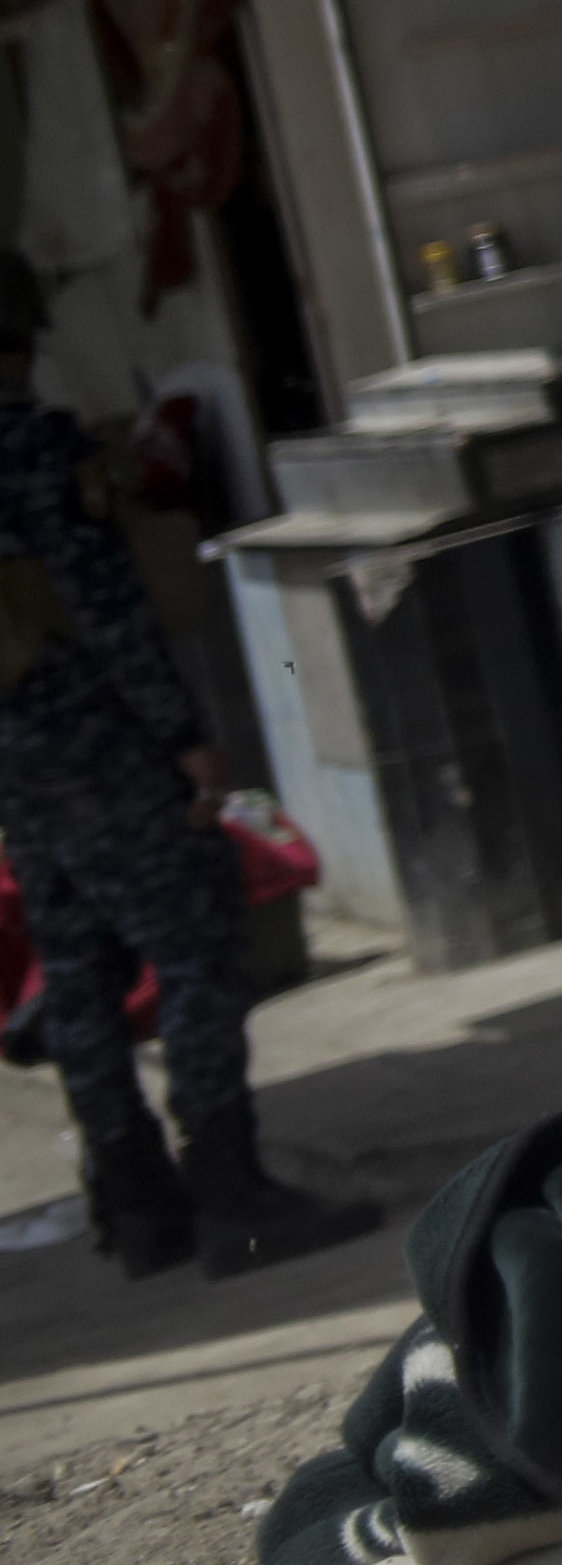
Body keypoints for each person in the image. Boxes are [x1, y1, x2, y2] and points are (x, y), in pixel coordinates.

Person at [0, 250, 376, 1277]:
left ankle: (134, 1202)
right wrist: (182, 732)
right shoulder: (35, 449)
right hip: (97, 737)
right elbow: (105, 607)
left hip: (15, 761)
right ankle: (229, 1196)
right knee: (201, 938)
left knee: (73, 961)